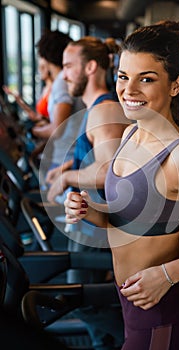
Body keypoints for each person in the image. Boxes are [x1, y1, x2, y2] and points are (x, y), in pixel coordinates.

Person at [64, 21, 179, 350]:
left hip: (163, 320)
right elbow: (124, 221)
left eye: (147, 79)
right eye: (124, 76)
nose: (129, 90)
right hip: (133, 313)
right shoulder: (129, 134)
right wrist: (89, 209)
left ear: (175, 85)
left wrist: (169, 274)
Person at [45, 36, 129, 350]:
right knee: (85, 297)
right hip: (89, 218)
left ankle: (135, 341)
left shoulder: (103, 111)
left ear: (90, 67)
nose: (64, 75)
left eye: (69, 66)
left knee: (82, 300)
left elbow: (109, 171)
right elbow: (99, 155)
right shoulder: (96, 109)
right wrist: (70, 162)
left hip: (97, 222)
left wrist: (67, 176)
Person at [32, 30, 85, 180]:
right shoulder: (62, 80)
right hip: (66, 154)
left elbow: (57, 129)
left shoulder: (61, 82)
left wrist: (35, 131)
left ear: (45, 58)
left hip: (64, 158)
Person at [2, 56, 52, 122]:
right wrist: (17, 98)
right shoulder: (45, 88)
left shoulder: (53, 90)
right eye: (39, 66)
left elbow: (48, 120)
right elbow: (36, 115)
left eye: (43, 67)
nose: (40, 69)